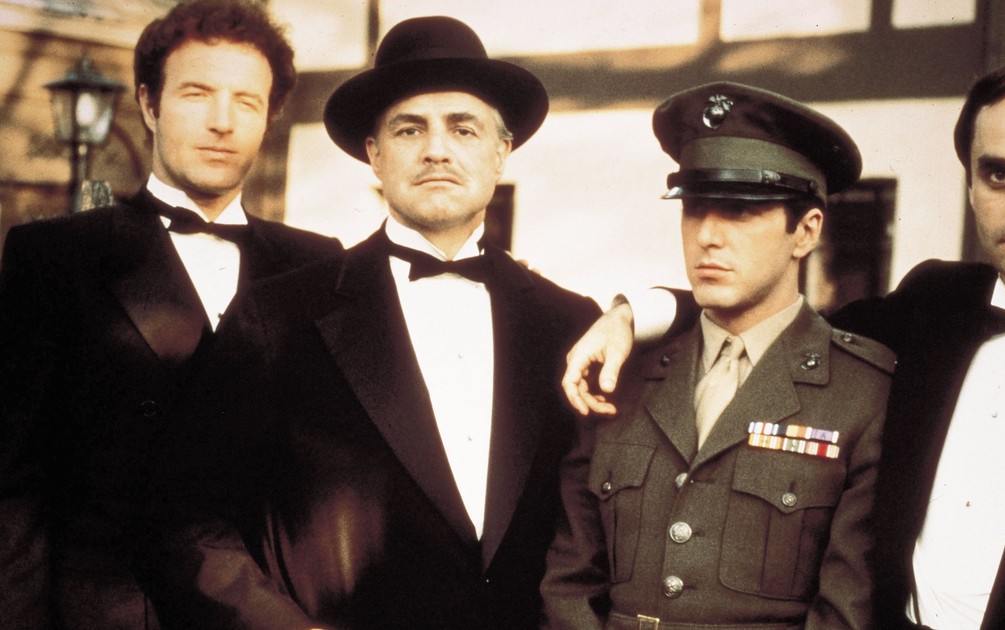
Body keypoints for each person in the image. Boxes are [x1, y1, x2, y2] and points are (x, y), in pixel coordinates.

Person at [561, 56, 1005, 630]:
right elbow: (769, 319)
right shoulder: (933, 306)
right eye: (997, 174)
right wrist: (632, 313)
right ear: (971, 184)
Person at [139, 16, 600, 629]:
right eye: (410, 129)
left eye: (463, 128)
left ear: (501, 152)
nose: (437, 149)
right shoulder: (278, 315)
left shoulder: (572, 324)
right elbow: (188, 522)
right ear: (374, 155)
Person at [0, 1, 342, 628]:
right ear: (149, 104)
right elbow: (13, 489)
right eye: (196, 94)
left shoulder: (316, 264)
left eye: (246, 101)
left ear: (269, 117)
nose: (222, 122)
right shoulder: (56, 256)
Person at [541, 82, 894, 630]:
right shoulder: (623, 372)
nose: (707, 235)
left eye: (739, 211)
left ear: (805, 231)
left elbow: (846, 611)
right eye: (694, 209)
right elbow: (570, 581)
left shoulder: (862, 393)